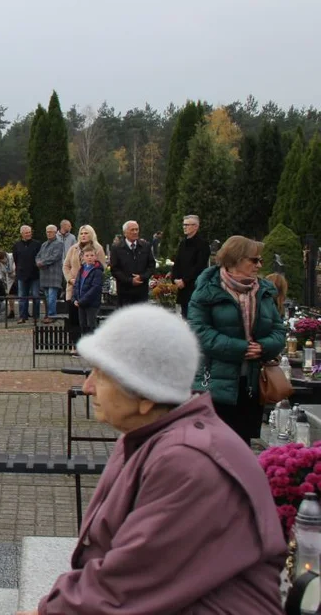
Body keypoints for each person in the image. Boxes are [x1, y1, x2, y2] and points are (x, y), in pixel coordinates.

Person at [23, 304, 285, 615]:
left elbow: (128, 583)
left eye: (101, 375)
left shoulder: (188, 461)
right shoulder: (149, 436)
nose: (87, 387)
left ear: (146, 396)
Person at [188, 236, 285, 443]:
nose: (259, 265)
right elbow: (199, 331)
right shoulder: (207, 290)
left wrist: (263, 347)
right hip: (214, 383)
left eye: (260, 260)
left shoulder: (264, 291)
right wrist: (240, 348)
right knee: (212, 446)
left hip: (251, 383)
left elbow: (278, 330)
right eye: (254, 260)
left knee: (241, 447)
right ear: (235, 260)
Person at [109, 220, 156, 307]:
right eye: (132, 230)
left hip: (141, 292)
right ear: (125, 233)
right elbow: (114, 269)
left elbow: (151, 266)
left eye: (137, 229)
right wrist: (130, 280)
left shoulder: (145, 246)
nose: (135, 232)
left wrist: (142, 277)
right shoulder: (117, 248)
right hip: (124, 293)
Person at [171, 214, 209, 318]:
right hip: (182, 286)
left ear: (196, 226)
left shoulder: (202, 244)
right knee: (184, 316)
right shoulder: (183, 243)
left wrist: (185, 280)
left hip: (194, 285)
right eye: (184, 224)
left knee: (194, 316)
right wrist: (175, 278)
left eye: (188, 225)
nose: (184, 227)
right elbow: (177, 262)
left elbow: (199, 266)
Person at [61, 225, 106, 303]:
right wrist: (70, 279)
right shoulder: (73, 248)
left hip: (89, 290)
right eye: (81, 233)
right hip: (73, 289)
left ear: (91, 234)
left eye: (86, 233)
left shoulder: (98, 249)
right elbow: (66, 266)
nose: (83, 235)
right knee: (73, 314)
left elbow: (101, 267)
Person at [35, 224, 65, 323]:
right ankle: (49, 314)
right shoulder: (44, 244)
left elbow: (55, 256)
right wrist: (38, 262)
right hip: (44, 274)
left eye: (51, 231)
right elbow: (38, 255)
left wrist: (42, 262)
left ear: (56, 232)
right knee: (47, 296)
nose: (49, 233)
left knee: (52, 296)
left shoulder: (59, 243)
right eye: (47, 232)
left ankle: (52, 315)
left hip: (54, 274)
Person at [12, 225, 41, 324]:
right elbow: (16, 259)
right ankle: (22, 316)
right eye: (26, 233)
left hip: (34, 274)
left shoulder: (37, 244)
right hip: (22, 274)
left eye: (29, 232)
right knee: (22, 297)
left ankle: (36, 316)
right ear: (22, 234)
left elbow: (39, 257)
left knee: (36, 296)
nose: (28, 234)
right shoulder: (16, 245)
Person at [73, 246, 104, 335]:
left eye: (92, 255)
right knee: (83, 325)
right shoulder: (82, 269)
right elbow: (77, 284)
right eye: (87, 255)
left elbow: (95, 288)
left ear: (95, 257)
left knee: (91, 325)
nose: (89, 257)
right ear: (83, 257)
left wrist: (83, 300)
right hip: (80, 302)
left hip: (91, 303)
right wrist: (75, 298)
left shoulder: (97, 271)